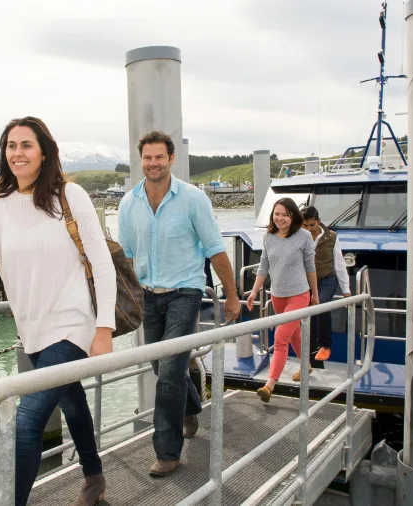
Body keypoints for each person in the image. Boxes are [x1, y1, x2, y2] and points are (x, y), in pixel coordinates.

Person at [0, 116, 116, 506]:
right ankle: (95, 478)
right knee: (73, 403)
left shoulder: (70, 195)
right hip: (32, 330)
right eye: (11, 146)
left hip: (72, 326)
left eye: (26, 145)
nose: (18, 153)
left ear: (44, 152)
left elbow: (102, 263)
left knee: (26, 424)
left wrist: (104, 328)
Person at [118, 131, 240, 478]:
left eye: (159, 157)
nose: (153, 163)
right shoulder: (129, 203)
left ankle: (168, 452)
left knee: (169, 371)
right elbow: (126, 257)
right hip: (147, 296)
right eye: (147, 158)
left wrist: (231, 295)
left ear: (171, 159)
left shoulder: (193, 199)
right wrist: (123, 300)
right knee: (162, 366)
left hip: (185, 292)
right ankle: (190, 402)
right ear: (140, 161)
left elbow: (215, 249)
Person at [245, 198, 318, 403]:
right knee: (293, 333)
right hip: (277, 295)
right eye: (277, 214)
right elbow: (264, 265)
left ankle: (269, 385)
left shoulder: (304, 236)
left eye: (285, 214)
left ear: (293, 216)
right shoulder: (269, 236)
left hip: (299, 295)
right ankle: (307, 364)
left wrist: (315, 293)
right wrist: (253, 292)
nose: (280, 218)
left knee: (280, 337)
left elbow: (310, 267)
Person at [301, 206, 350, 367]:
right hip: (306, 281)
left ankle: (325, 345)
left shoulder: (331, 237)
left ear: (319, 222)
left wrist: (346, 291)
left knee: (320, 304)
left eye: (312, 225)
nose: (308, 229)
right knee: (308, 317)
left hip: (326, 279)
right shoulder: (298, 236)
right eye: (305, 225)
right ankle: (311, 361)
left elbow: (340, 264)